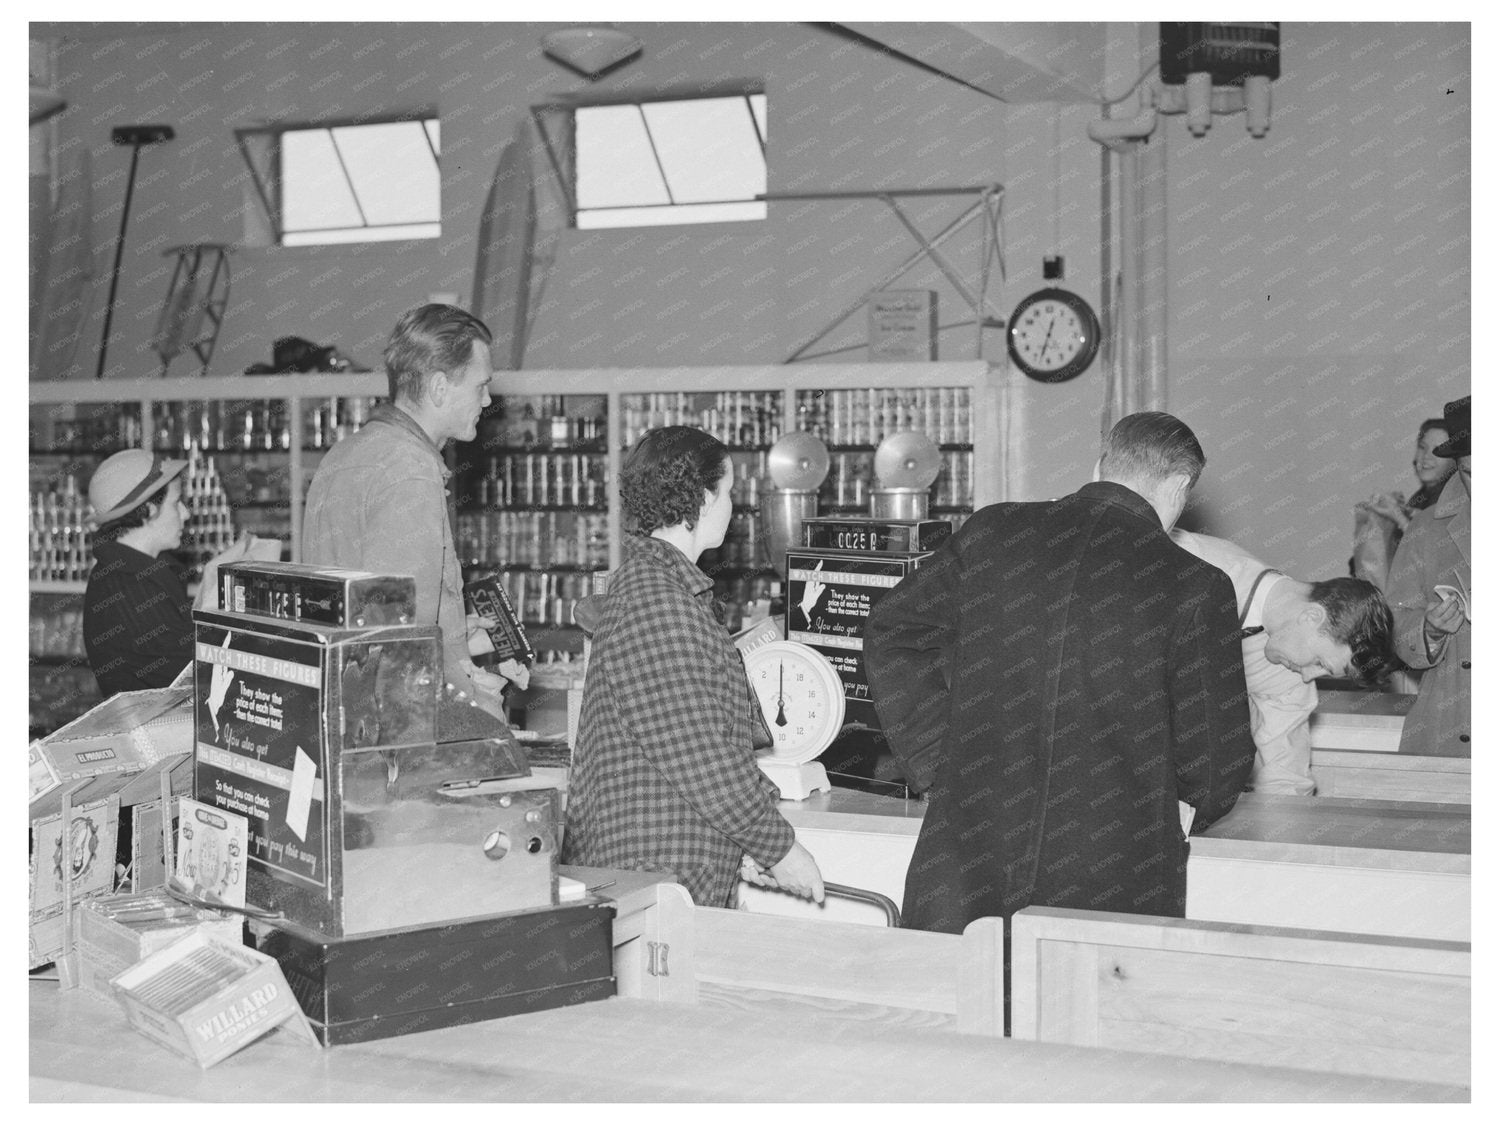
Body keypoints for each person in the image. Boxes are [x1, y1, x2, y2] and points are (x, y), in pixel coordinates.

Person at [864, 412, 1256, 934]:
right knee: (1085, 1008)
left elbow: (894, 631)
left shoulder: (994, 531)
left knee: (965, 1001)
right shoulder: (1196, 586)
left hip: (973, 839)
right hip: (1115, 862)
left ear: (1101, 464)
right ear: (1181, 486)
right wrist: (1189, 804)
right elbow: (1216, 757)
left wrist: (938, 758)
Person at [561, 426, 824, 908]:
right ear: (702, 499)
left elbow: (698, 741)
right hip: (655, 873)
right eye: (727, 493)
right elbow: (702, 757)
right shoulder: (661, 604)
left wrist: (743, 846)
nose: (732, 507)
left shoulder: (658, 588)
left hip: (665, 862)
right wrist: (780, 849)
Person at [302, 304, 524, 714]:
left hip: (340, 700)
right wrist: (476, 708)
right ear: (440, 388)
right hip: (395, 723)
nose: (488, 398)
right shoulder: (410, 471)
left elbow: (366, 606)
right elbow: (400, 643)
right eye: (480, 385)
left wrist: (453, 631)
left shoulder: (347, 452)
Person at [1171, 530, 1394, 795]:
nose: (1309, 676)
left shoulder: (1284, 664)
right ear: (1312, 616)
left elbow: (1284, 778)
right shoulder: (1188, 559)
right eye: (1321, 662)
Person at [82, 449, 250, 696]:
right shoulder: (132, 590)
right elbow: (203, 675)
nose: (186, 513)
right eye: (175, 503)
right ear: (149, 510)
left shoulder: (135, 572)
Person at [1388, 395, 1470, 757]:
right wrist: (1429, 629)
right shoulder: (1426, 528)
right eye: (1470, 473)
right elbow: (1396, 619)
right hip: (1450, 721)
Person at [1352, 416, 1455, 591]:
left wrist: (1398, 517)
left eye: (1439, 450)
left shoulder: (1456, 498)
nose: (1426, 457)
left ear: (1456, 460)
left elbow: (1437, 558)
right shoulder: (1421, 496)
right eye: (1423, 448)